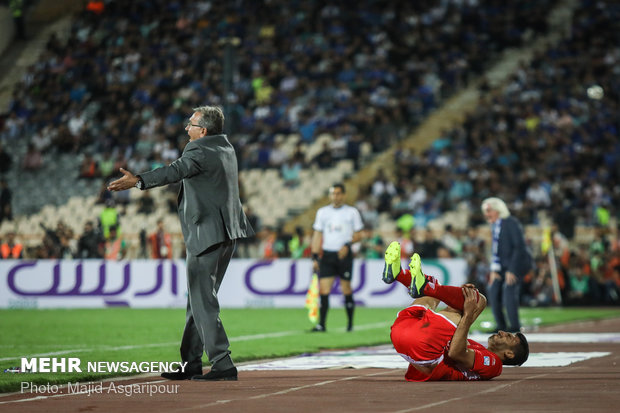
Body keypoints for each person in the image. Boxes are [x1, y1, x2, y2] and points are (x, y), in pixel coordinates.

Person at [108, 105, 254, 381]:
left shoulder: (197, 150)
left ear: (204, 130)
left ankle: (222, 363)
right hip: (227, 232)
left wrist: (138, 181)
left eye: (191, 124)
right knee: (198, 301)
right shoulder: (225, 146)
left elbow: (175, 171)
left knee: (203, 302)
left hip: (207, 234)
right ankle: (191, 363)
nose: (187, 128)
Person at [382, 241, 529, 381]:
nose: (502, 332)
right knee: (435, 290)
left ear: (509, 354)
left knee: (479, 300)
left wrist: (468, 310)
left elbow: (455, 353)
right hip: (402, 337)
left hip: (423, 349)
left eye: (509, 337)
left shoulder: (494, 365)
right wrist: (457, 297)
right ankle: (398, 274)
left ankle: (423, 286)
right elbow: (452, 322)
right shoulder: (475, 346)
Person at [310, 183, 364, 332]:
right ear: (330, 195)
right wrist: (315, 257)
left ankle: (350, 324)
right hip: (328, 254)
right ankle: (322, 325)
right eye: (333, 193)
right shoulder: (322, 212)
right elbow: (317, 235)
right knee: (324, 290)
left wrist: (347, 245)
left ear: (344, 195)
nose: (336, 196)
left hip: (344, 255)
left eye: (339, 193)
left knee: (346, 288)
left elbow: (359, 235)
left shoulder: (351, 212)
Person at [481, 197, 533, 333]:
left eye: (489, 210)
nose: (486, 214)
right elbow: (496, 251)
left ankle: (515, 327)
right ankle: (501, 326)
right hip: (504, 265)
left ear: (498, 210)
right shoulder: (495, 226)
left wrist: (511, 269)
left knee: (508, 290)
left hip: (518, 263)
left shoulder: (511, 223)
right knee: (492, 289)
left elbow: (519, 247)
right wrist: (494, 270)